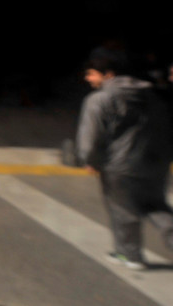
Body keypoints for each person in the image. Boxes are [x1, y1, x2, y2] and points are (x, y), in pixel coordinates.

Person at [77, 56, 173, 270]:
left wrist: (90, 160)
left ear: (109, 74)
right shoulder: (153, 95)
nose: (87, 78)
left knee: (123, 211)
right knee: (156, 206)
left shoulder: (99, 99)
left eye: (91, 73)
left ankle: (130, 255)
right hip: (155, 162)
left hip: (119, 165)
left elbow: (91, 134)